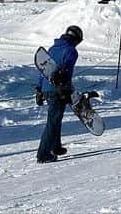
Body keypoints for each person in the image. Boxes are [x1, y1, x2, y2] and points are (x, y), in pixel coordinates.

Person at [35, 24, 83, 163]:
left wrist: (39, 88)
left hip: (46, 88)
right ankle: (43, 155)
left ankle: (56, 147)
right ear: (76, 39)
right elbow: (66, 71)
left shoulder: (52, 48)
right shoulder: (71, 51)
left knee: (56, 119)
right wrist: (65, 89)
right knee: (53, 122)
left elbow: (44, 69)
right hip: (57, 90)